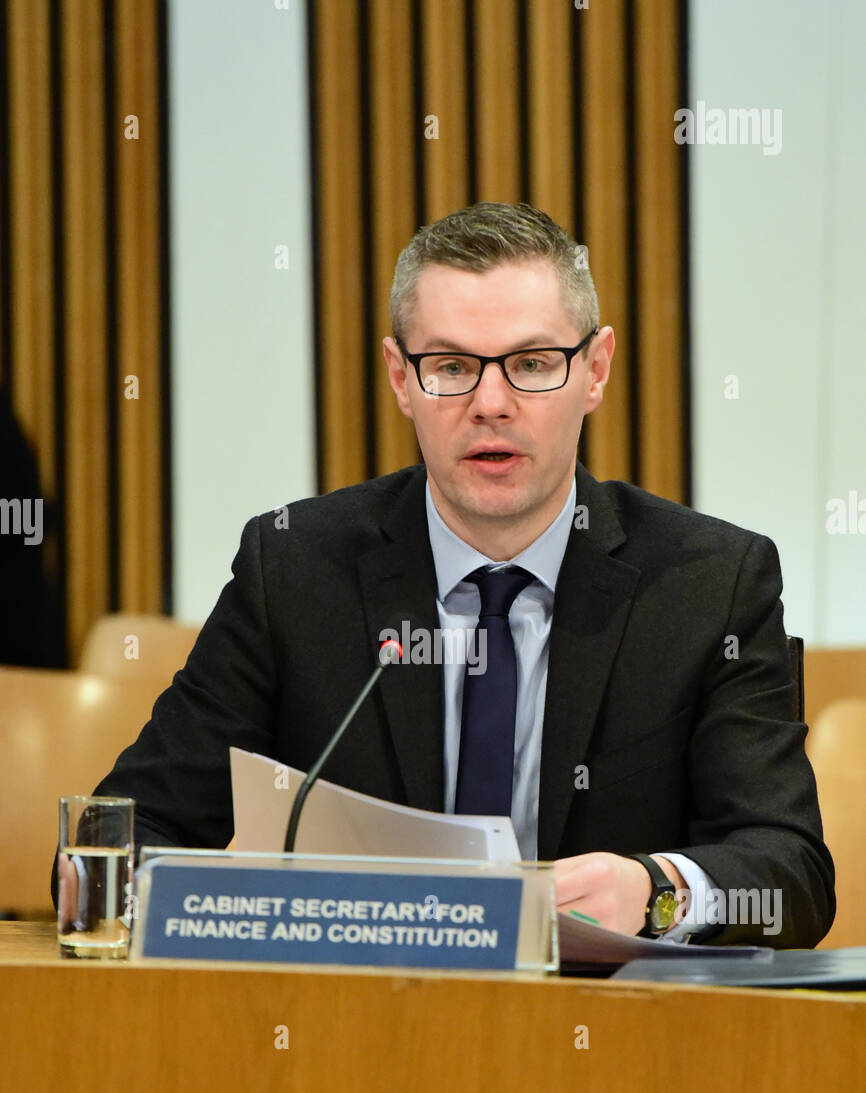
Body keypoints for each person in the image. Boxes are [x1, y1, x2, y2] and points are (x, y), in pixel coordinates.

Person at [63, 201, 834, 947]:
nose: (490, 403)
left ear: (595, 370)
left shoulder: (710, 583)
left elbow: (790, 874)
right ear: (401, 377)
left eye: (532, 364)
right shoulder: (296, 570)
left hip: (615, 1044)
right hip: (353, 1034)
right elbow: (123, 834)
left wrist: (656, 889)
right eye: (451, 366)